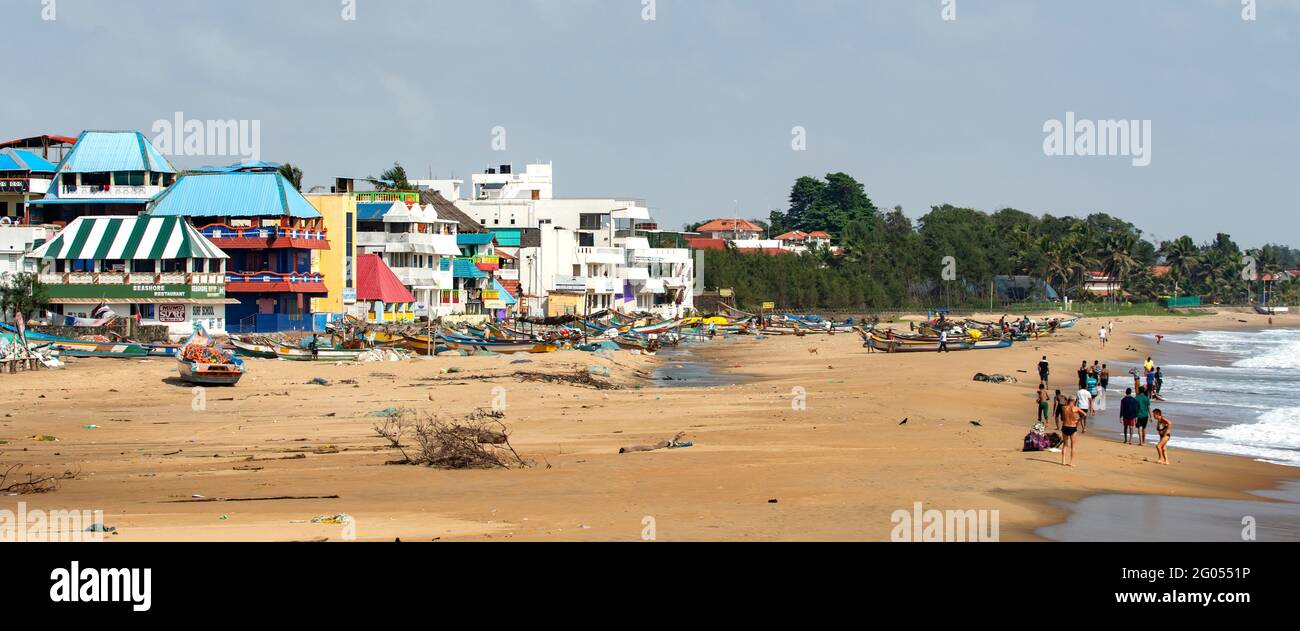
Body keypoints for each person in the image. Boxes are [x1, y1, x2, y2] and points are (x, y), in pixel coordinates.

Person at [1060, 397, 1080, 467]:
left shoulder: (1063, 408)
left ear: (1068, 400)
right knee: (1073, 446)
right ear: (1074, 401)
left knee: (1065, 445)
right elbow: (1084, 414)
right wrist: (1077, 420)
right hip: (1072, 427)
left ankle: (1063, 461)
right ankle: (1071, 462)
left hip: (1065, 426)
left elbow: (1062, 418)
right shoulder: (1076, 408)